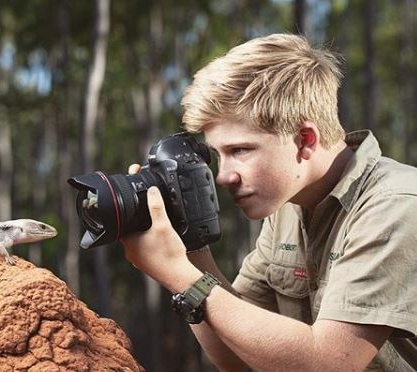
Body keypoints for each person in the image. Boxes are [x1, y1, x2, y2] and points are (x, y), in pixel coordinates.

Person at [121, 33, 417, 371]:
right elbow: (235, 357)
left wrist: (180, 276)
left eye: (240, 151)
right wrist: (190, 248)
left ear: (305, 140)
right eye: (218, 155)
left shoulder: (396, 205)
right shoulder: (289, 206)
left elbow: (326, 364)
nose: (223, 176)